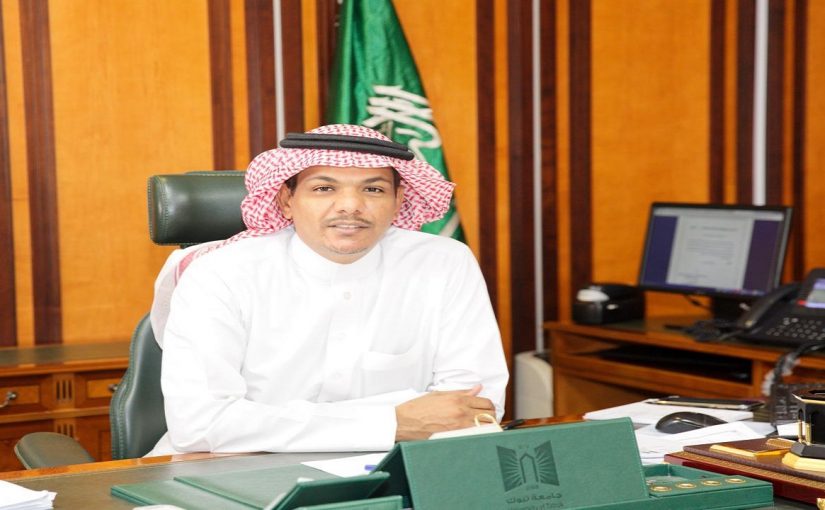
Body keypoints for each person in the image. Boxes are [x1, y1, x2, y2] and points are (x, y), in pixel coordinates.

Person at [148, 124, 508, 455]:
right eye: (324, 188)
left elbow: (473, 406)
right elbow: (200, 425)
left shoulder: (444, 262)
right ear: (286, 200)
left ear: (399, 201)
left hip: (397, 464)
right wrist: (392, 422)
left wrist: (266, 423)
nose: (351, 206)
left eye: (373, 189)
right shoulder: (221, 273)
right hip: (235, 469)